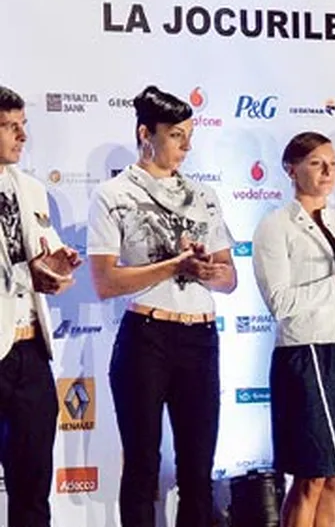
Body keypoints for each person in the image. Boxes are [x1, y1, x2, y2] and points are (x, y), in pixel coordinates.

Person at [88, 85, 237, 527]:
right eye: (176, 135)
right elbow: (105, 281)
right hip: (146, 339)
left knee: (198, 468)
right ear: (145, 134)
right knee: (142, 465)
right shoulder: (113, 194)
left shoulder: (204, 195)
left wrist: (210, 271)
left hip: (201, 337)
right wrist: (174, 265)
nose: (186, 146)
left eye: (189, 135)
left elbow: (230, 278)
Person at [252, 132, 335, 527]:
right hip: (305, 355)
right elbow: (280, 303)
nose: (328, 171)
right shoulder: (275, 227)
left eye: (332, 163)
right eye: (316, 163)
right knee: (309, 476)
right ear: (291, 170)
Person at [0, 86, 81, 527]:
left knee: (33, 488)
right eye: (11, 127)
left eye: (23, 125)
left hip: (31, 350)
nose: (22, 136)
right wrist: (27, 272)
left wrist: (56, 266)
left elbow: (39, 262)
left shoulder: (30, 188)